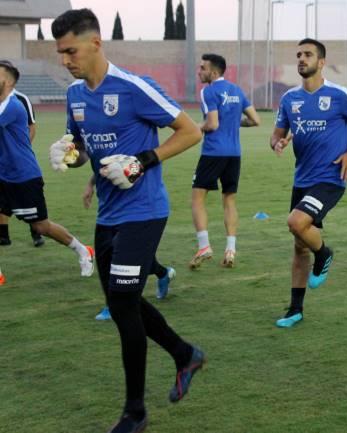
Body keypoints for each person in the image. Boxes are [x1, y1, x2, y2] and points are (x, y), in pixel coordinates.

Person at [50, 9, 204, 433]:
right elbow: (82, 149)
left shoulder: (134, 87)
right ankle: (185, 354)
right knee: (124, 304)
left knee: (121, 302)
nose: (65, 60)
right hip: (108, 214)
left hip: (145, 212)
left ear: (95, 43)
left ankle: (135, 412)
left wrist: (142, 161)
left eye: (71, 51)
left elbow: (190, 131)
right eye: (60, 53)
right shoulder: (75, 95)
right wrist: (68, 154)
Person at [270, 38, 347, 328]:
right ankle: (295, 309)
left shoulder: (339, 95)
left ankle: (325, 253)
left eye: (308, 54)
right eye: (299, 54)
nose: (302, 59)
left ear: (321, 62)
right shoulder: (289, 99)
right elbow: (277, 133)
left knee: (296, 222)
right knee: (299, 245)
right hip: (302, 178)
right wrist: (277, 142)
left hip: (330, 177)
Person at [0, 59, 94, 276]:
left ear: (9, 83)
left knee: (41, 226)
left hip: (22, 177)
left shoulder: (12, 106)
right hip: (3, 175)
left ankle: (83, 250)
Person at [190, 53, 261, 269]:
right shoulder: (236, 90)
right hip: (234, 154)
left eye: (202, 68)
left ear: (213, 72)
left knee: (197, 199)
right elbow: (255, 120)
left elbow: (212, 124)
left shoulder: (208, 91)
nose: (199, 72)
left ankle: (204, 246)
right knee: (229, 200)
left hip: (213, 153)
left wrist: (196, 127)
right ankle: (230, 250)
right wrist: (234, 122)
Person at [82, 175, 176, 322]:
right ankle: (163, 273)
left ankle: (114, 305)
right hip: (109, 209)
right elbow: (102, 164)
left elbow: (142, 165)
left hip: (138, 209)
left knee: (123, 257)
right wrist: (90, 183)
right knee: (117, 255)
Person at [0, 82, 44, 247]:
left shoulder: (20, 99)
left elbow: (31, 126)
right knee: (3, 199)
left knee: (28, 200)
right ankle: (3, 236)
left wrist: (21, 150)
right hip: (2, 162)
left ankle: (36, 234)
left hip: (19, 162)